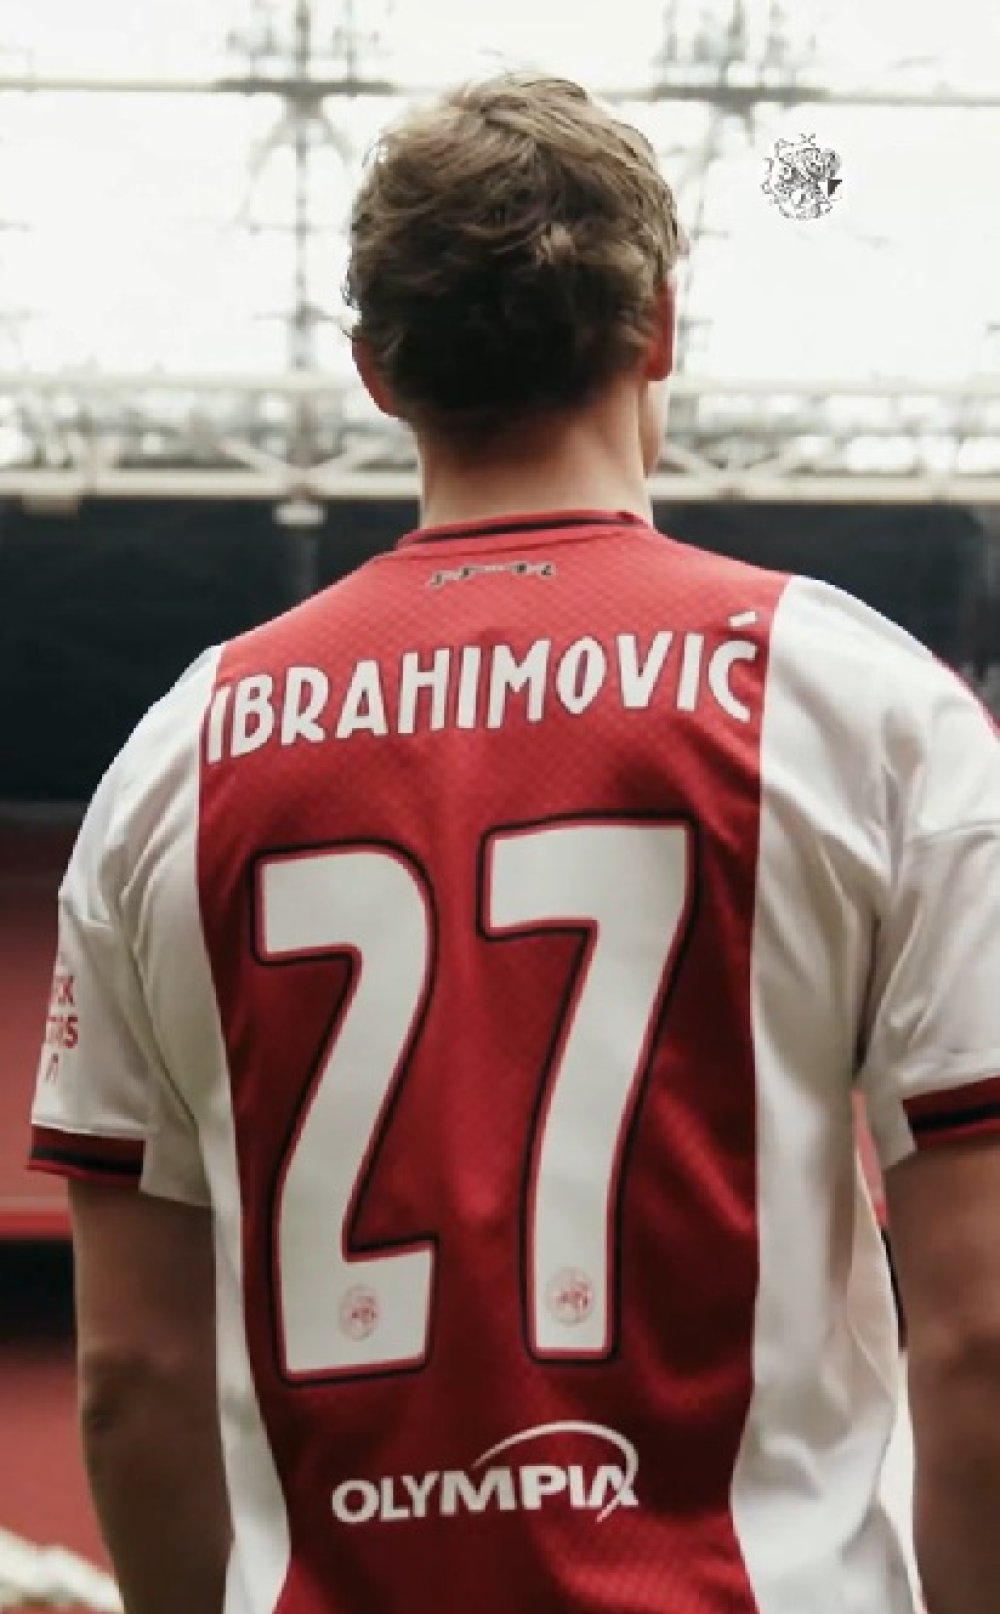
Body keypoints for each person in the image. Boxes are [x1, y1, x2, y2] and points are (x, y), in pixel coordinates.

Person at [27, 73, 1000, 1614]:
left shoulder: (176, 758)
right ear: (659, 328)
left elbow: (131, 1377)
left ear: (375, 371)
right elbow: (981, 1332)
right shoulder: (868, 707)